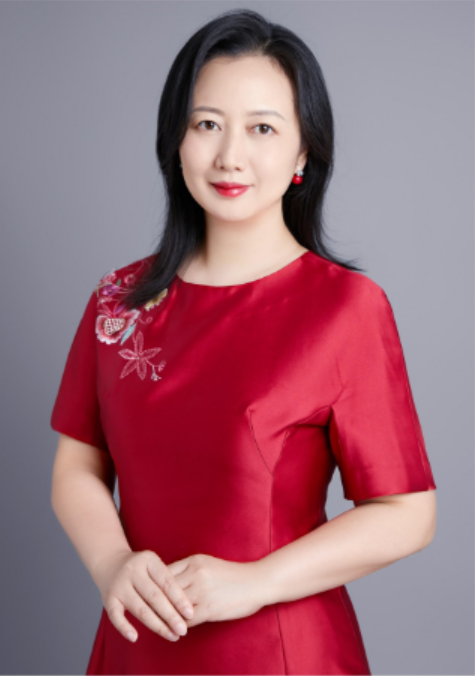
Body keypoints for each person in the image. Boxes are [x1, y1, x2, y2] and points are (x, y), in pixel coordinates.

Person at [50, 8, 437, 676]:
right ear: (175, 139)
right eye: (206, 124)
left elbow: (408, 513)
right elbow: (77, 468)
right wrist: (112, 563)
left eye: (262, 128)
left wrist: (255, 583)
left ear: (303, 152)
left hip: (281, 649)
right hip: (138, 639)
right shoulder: (118, 300)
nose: (229, 155)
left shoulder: (345, 308)